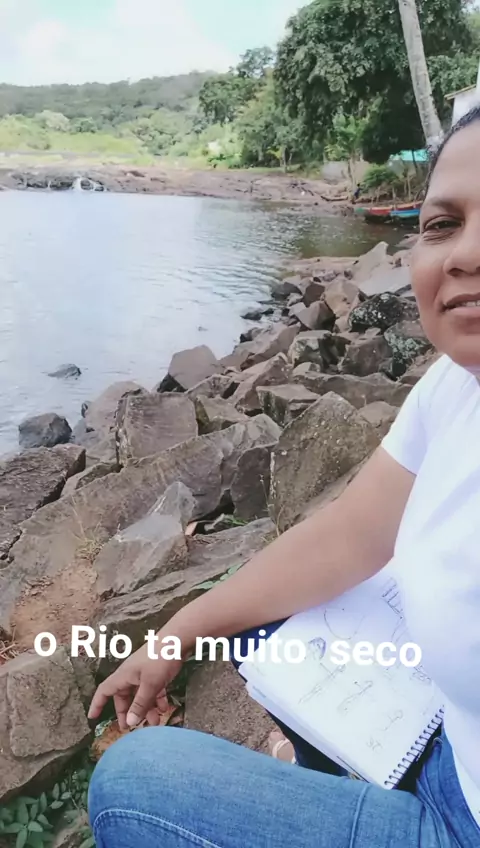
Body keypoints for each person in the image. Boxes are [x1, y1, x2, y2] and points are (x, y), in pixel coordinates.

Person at [87, 105, 480, 848]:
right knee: (264, 623)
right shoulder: (457, 382)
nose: (465, 254)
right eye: (442, 224)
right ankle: (333, 766)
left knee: (133, 788)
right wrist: (176, 634)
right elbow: (350, 534)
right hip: (455, 739)